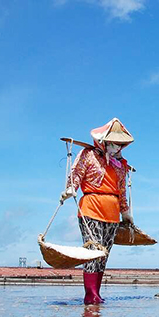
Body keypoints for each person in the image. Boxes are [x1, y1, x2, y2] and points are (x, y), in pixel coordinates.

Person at [60, 117, 134, 305]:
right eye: (114, 144)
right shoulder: (88, 154)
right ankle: (90, 294)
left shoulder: (120, 165)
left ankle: (96, 293)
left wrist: (125, 213)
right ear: (105, 141)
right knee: (93, 250)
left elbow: (122, 190)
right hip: (91, 207)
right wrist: (71, 188)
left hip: (112, 211)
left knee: (104, 253)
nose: (117, 148)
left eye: (120, 145)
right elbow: (77, 172)